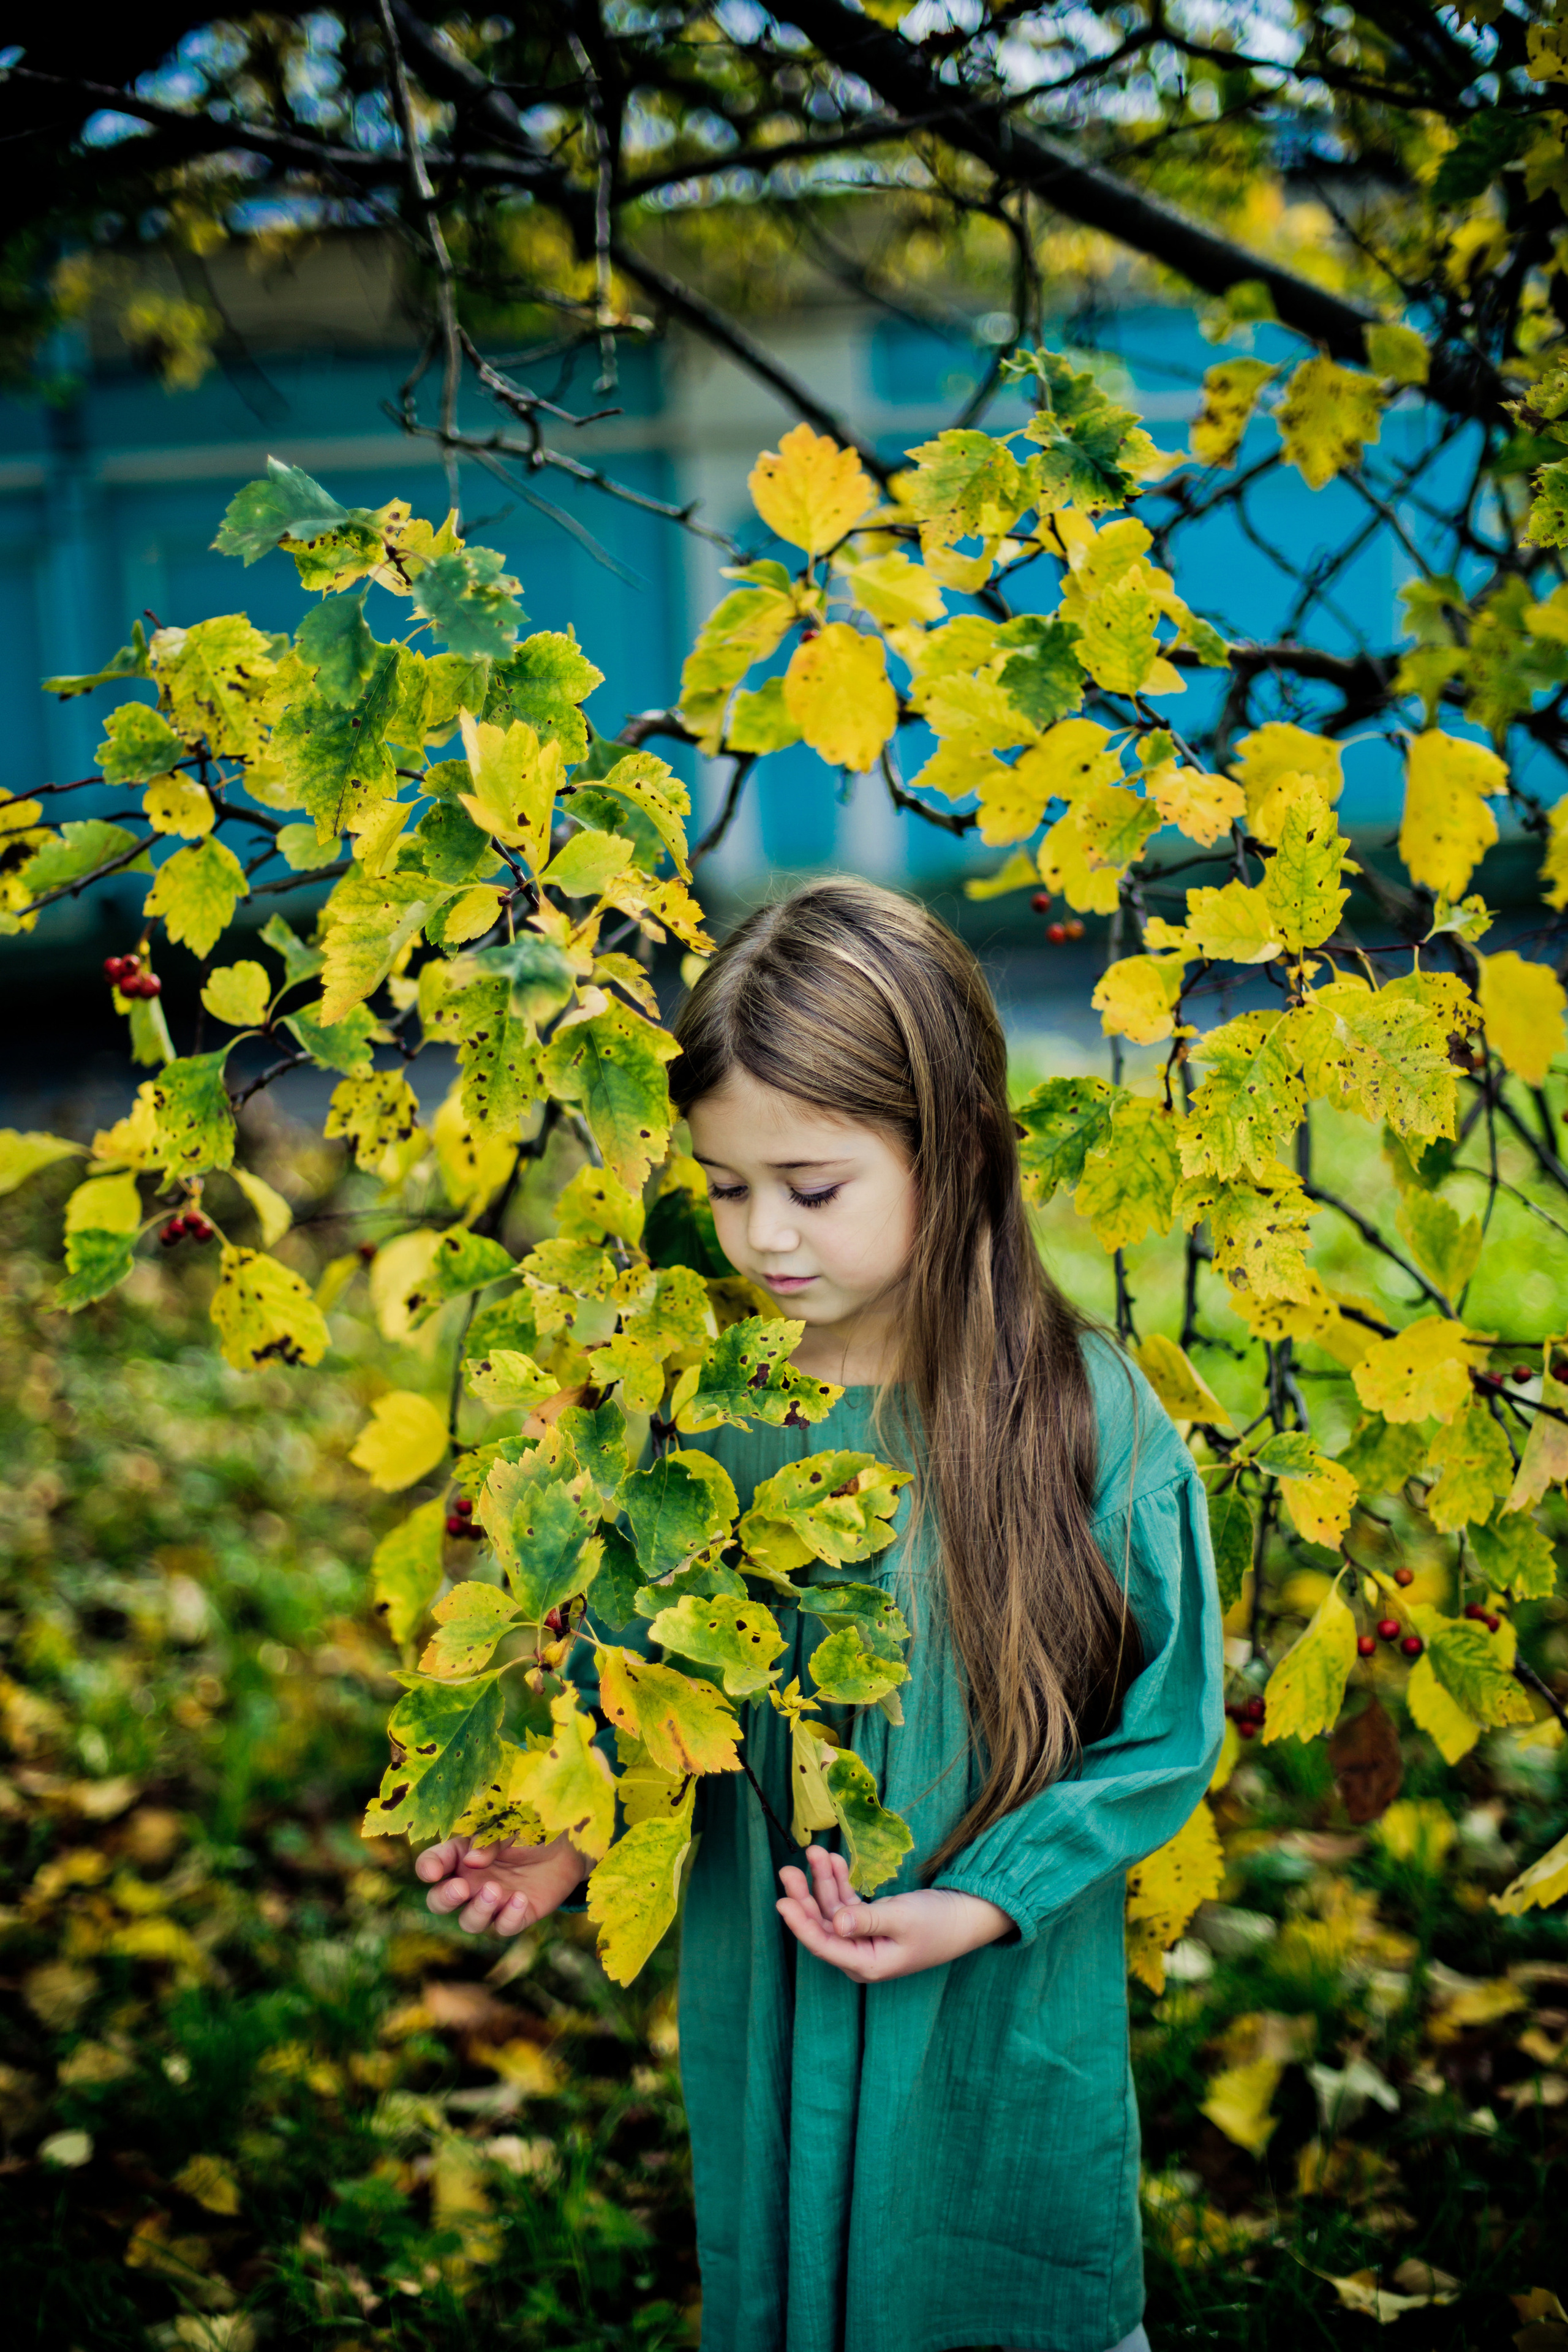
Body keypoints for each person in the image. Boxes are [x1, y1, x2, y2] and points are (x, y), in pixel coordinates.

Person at [416, 876, 1227, 2352]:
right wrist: (575, 1822)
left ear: (951, 1150)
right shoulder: (705, 1421)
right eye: (727, 1189)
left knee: (988, 2288)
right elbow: (646, 1697)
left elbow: (1163, 1730)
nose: (762, 1239)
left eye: (811, 1187)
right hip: (774, 2003)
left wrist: (982, 1899)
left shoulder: (1082, 1421)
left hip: (995, 2024)